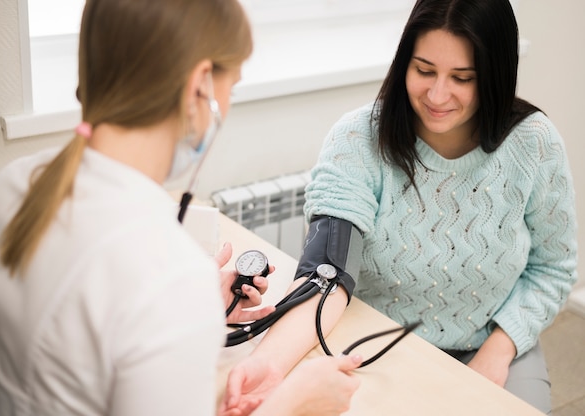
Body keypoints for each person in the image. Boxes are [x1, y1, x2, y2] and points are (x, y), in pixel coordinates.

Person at [0, 0, 361, 415]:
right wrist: (295, 403)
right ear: (201, 86)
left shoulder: (9, 185)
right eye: (231, 87)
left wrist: (191, 318)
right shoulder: (165, 273)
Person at [221, 0, 578, 414]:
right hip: (368, 338)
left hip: (493, 341)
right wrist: (267, 364)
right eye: (424, 70)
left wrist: (498, 352)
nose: (437, 94)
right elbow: (326, 272)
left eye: (462, 78)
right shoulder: (356, 140)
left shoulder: (534, 144)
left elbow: (553, 269)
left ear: (495, 75)